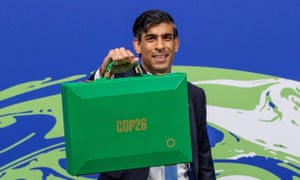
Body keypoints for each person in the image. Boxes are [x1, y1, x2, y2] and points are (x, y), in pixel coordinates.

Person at [89, 9, 216, 180]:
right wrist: (104, 71)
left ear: (176, 44)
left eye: (167, 37)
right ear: (137, 45)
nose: (160, 46)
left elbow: (203, 159)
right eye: (151, 38)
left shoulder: (194, 95)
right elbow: (87, 107)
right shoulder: (119, 83)